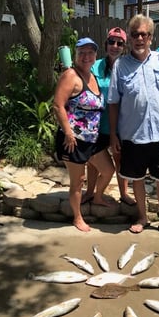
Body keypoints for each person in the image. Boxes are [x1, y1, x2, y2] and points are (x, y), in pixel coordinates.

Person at [84, 21, 159, 207]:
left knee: (120, 161)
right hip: (97, 125)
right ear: (106, 44)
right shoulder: (96, 67)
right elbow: (81, 76)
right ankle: (90, 193)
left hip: (121, 125)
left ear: (124, 46)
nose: (115, 46)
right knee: (93, 162)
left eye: (120, 43)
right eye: (112, 41)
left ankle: (124, 194)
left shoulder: (128, 64)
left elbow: (156, 57)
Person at [108, 15, 159, 240]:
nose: (139, 38)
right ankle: (142, 217)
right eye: (135, 34)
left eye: (144, 34)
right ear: (130, 38)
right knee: (137, 179)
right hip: (133, 135)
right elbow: (113, 103)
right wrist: (113, 134)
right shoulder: (120, 65)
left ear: (151, 37)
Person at [53, 37, 115, 232]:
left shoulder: (92, 76)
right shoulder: (70, 76)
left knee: (108, 170)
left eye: (90, 52)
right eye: (82, 53)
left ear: (96, 55)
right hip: (74, 141)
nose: (86, 56)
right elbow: (58, 105)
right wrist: (69, 133)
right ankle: (77, 217)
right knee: (78, 182)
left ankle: (97, 197)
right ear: (76, 55)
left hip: (92, 140)